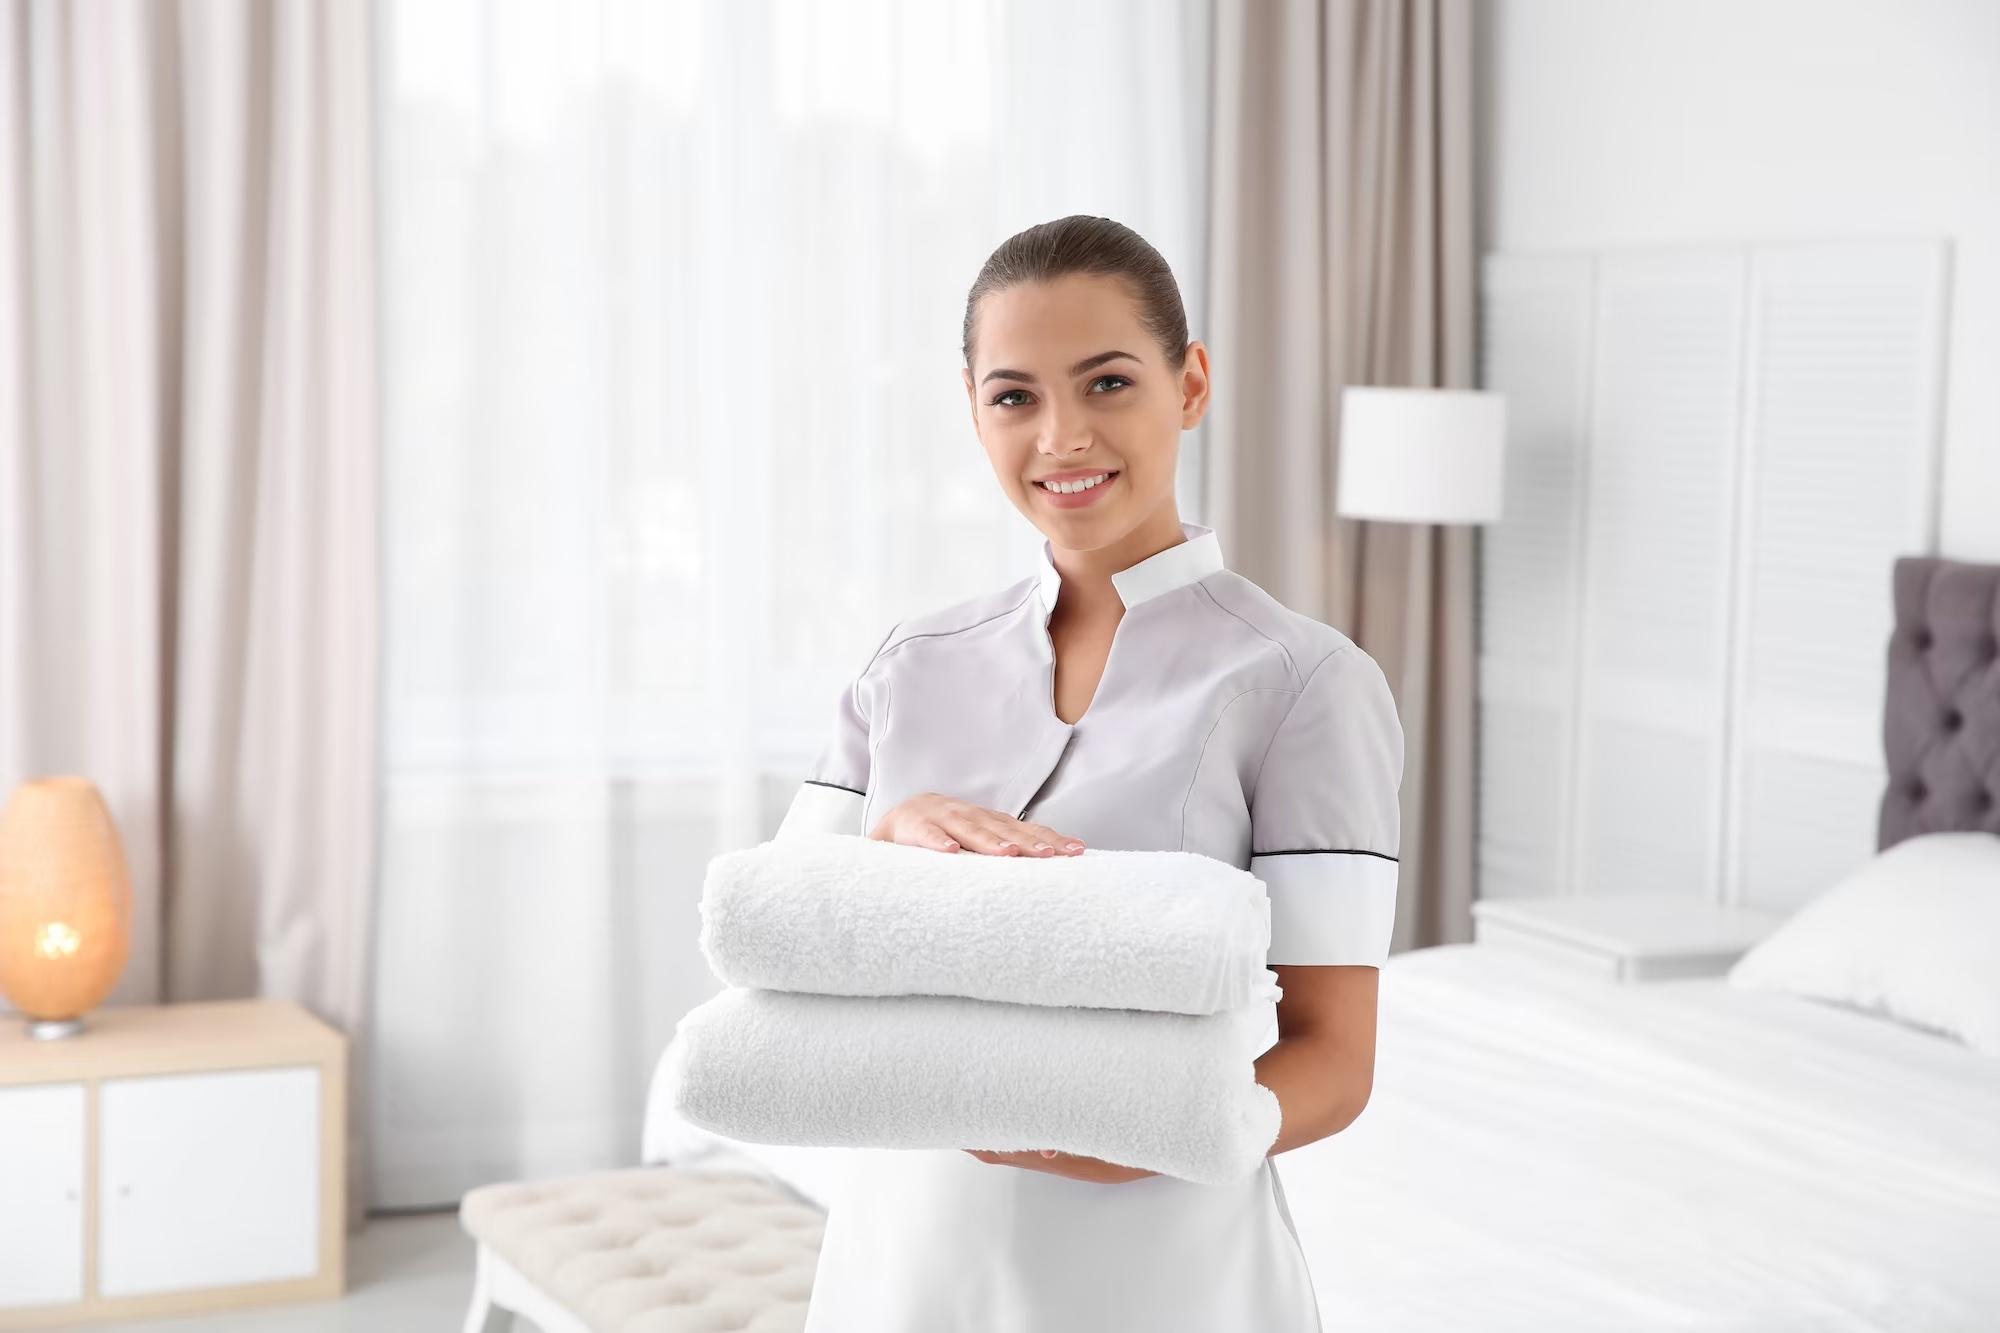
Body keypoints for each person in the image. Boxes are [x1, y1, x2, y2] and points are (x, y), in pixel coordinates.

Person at [778, 214, 1405, 1333]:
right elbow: (784, 955)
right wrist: (888, 839)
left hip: (1160, 1270)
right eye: (1014, 395)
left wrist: (1150, 1130)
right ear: (971, 407)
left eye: (1106, 382)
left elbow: (1333, 1056)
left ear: (1190, 383)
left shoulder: (1305, 683)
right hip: (903, 1261)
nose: (1062, 436)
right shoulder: (906, 668)